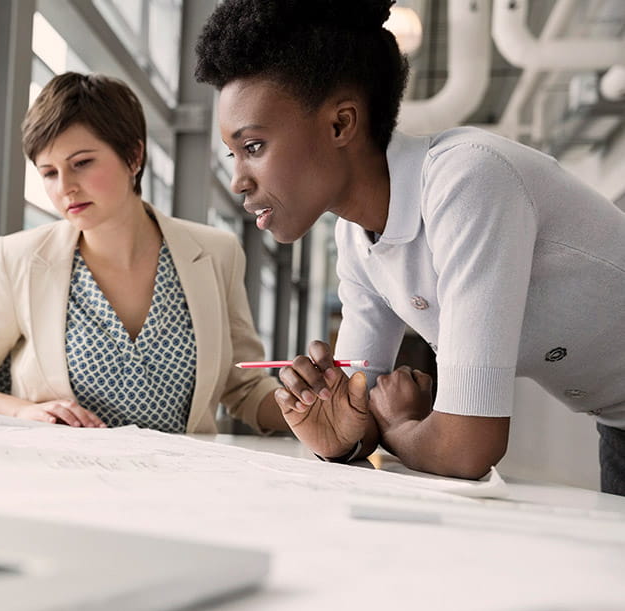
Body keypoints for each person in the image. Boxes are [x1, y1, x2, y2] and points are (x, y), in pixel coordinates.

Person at [194, 0, 625, 493]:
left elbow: (467, 447)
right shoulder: (355, 241)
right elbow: (358, 407)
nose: (236, 182)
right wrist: (338, 436)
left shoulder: (468, 181)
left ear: (341, 124)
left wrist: (398, 428)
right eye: (233, 155)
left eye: (253, 148)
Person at [0, 72, 288, 434]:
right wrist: (21, 412)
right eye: (49, 173)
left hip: (179, 483)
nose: (65, 187)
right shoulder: (18, 258)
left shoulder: (216, 254)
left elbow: (245, 387)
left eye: (81, 163)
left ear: (133, 156)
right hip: (60, 478)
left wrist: (315, 410)